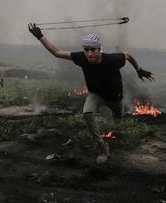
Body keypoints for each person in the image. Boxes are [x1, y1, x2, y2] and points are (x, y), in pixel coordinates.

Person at [28, 23, 154, 164]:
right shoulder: (82, 58)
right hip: (96, 95)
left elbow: (128, 55)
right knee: (87, 113)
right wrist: (40, 36)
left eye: (93, 50)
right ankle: (102, 148)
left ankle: (110, 115)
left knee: (118, 119)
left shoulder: (112, 59)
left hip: (114, 98)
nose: (89, 53)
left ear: (99, 49)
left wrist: (139, 69)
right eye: (86, 50)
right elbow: (57, 52)